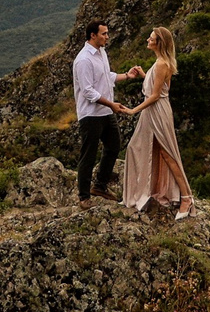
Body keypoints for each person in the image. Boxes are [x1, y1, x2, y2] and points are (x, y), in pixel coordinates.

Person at [114, 26, 194, 216]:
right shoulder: (162, 62)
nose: (147, 40)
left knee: (166, 153)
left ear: (159, 43)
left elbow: (156, 95)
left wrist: (133, 110)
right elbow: (162, 87)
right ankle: (142, 193)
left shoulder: (161, 64)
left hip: (156, 110)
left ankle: (186, 198)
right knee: (148, 149)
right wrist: (145, 76)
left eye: (151, 38)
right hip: (156, 110)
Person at [70, 20, 142, 202]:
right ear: (93, 35)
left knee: (114, 146)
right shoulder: (83, 59)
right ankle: (84, 197)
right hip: (90, 115)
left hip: (105, 112)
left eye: (107, 33)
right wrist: (111, 104)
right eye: (104, 34)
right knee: (88, 155)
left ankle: (100, 186)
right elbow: (87, 91)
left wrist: (127, 76)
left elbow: (105, 76)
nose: (107, 37)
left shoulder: (101, 52)